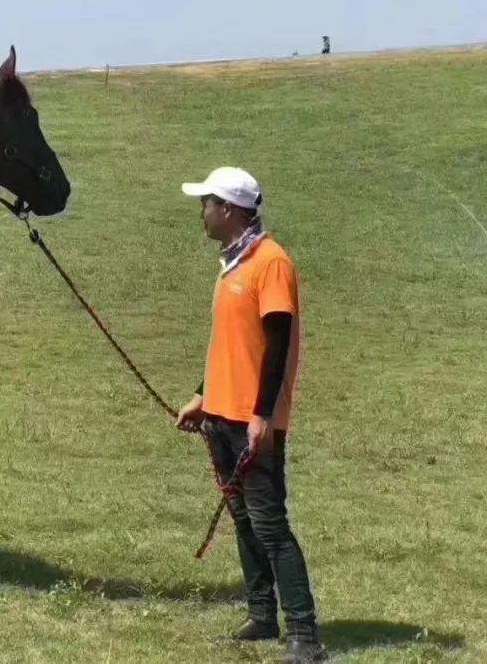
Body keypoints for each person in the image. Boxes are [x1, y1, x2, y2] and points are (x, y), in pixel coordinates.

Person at [175, 167, 327, 664]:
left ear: (230, 209)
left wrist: (262, 414)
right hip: (221, 414)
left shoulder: (271, 263)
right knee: (243, 520)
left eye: (207, 202)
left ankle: (304, 635)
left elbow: (276, 343)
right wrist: (203, 395)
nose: (202, 211)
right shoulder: (232, 264)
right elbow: (233, 345)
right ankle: (263, 617)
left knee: (269, 524)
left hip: (251, 421)